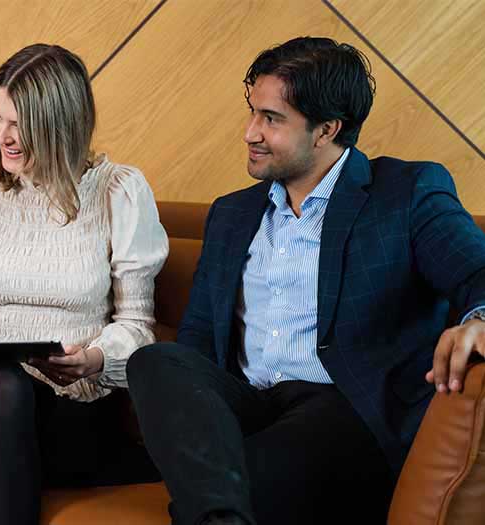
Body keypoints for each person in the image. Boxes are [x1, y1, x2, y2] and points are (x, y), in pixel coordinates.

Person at [126, 36, 485, 525]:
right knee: (156, 360)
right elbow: (198, 339)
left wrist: (478, 319)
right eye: (253, 113)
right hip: (249, 407)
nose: (250, 133)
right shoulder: (232, 214)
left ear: (326, 130)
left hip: (344, 413)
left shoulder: (405, 194)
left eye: (271, 119)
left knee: (243, 478)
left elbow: (477, 271)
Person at [0, 43, 169, 525]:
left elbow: (137, 325)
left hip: (69, 411)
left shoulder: (117, 192)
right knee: (3, 384)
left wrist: (94, 359)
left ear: (61, 124)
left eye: (19, 124)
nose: (2, 136)